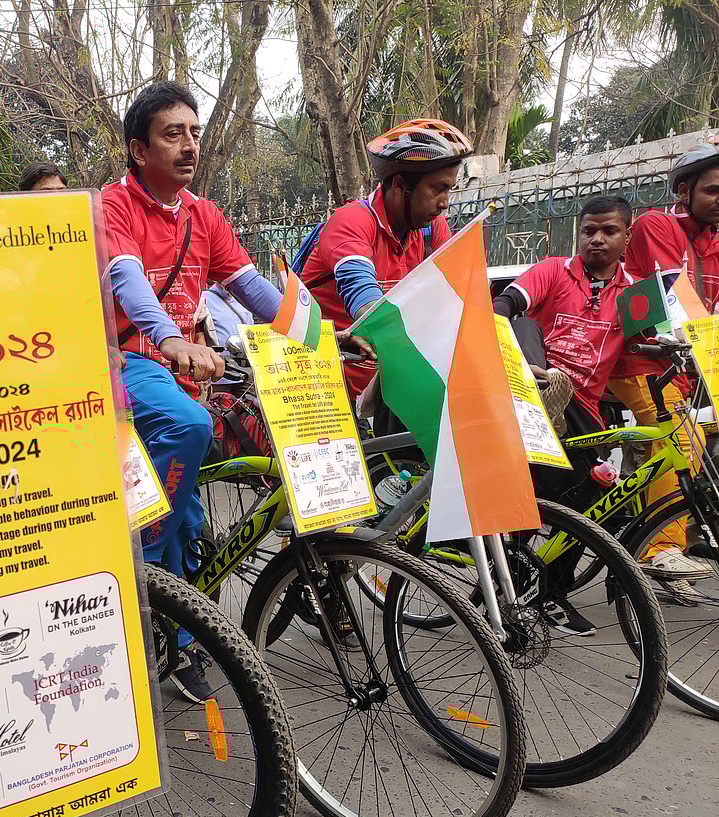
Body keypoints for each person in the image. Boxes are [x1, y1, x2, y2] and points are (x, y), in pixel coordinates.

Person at [102, 82, 283, 702]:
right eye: (171, 134)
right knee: (190, 432)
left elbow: (251, 289)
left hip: (185, 372)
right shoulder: (113, 206)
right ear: (137, 149)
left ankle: (176, 644)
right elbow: (126, 281)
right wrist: (170, 340)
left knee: (195, 513)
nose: (188, 145)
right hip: (124, 363)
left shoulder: (205, 216)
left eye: (194, 132)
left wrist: (317, 334)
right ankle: (144, 568)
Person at [492, 195, 637, 635]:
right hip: (532, 394)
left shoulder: (636, 293)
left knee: (590, 506)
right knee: (521, 324)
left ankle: (545, 591)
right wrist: (519, 353)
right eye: (588, 231)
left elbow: (660, 338)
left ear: (626, 236)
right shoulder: (553, 270)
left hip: (587, 414)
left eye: (609, 231)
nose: (596, 239)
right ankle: (521, 589)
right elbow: (505, 305)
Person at [605, 137, 719, 589]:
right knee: (681, 434)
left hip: (685, 363)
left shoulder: (713, 241)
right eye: (713, 190)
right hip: (636, 362)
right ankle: (660, 550)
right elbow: (677, 301)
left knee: (694, 439)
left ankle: (682, 529)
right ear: (684, 191)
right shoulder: (658, 225)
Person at [299, 119, 473, 401]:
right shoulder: (352, 221)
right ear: (400, 185)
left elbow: (460, 303)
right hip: (322, 388)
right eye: (437, 188)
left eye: (448, 190)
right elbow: (365, 300)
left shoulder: (432, 230)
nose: (444, 203)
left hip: (387, 384)